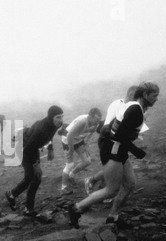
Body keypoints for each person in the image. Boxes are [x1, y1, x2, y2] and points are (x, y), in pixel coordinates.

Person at [69, 81, 160, 229]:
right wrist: (136, 150)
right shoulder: (135, 110)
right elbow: (116, 134)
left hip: (118, 148)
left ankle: (113, 217)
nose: (157, 99)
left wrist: (130, 147)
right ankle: (76, 208)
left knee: (130, 184)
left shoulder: (135, 107)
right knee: (111, 190)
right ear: (145, 94)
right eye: (154, 95)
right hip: (114, 150)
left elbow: (114, 131)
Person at [5, 106, 64, 216]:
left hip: (33, 147)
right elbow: (28, 149)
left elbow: (50, 135)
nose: (61, 120)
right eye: (58, 117)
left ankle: (12, 194)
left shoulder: (54, 124)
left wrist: (50, 149)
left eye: (62, 116)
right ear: (52, 117)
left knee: (30, 177)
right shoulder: (41, 129)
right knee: (36, 178)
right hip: (24, 148)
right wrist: (36, 165)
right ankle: (29, 209)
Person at [84, 86, 139, 195]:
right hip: (108, 141)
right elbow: (107, 127)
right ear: (130, 95)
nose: (137, 101)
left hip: (118, 142)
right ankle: (99, 186)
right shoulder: (117, 105)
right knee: (114, 167)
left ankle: (96, 183)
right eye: (136, 97)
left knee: (116, 167)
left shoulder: (132, 107)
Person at [60, 108, 102, 195]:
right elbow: (70, 135)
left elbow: (91, 133)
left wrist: (85, 143)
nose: (97, 122)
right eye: (96, 120)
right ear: (90, 116)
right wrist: (71, 148)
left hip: (78, 138)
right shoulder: (82, 121)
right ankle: (63, 187)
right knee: (70, 164)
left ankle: (71, 175)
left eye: (98, 120)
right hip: (67, 139)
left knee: (87, 161)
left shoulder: (95, 123)